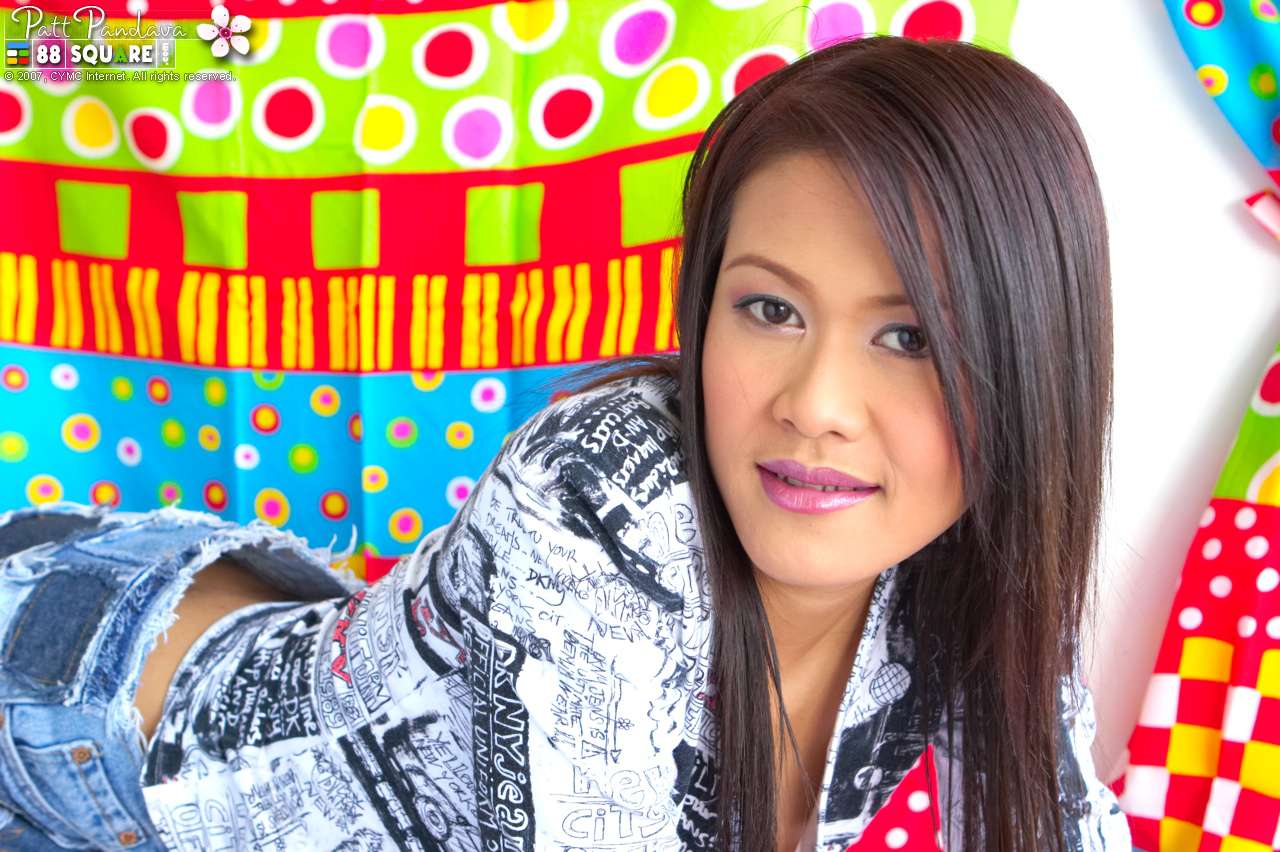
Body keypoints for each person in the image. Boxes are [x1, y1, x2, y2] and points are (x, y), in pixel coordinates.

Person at [0, 34, 1132, 852]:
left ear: (1034, 370)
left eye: (908, 336)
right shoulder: (598, 490)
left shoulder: (980, 569)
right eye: (768, 308)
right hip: (69, 700)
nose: (817, 404)